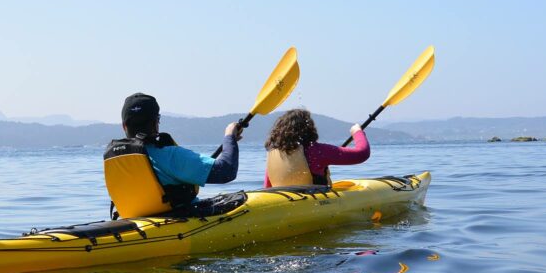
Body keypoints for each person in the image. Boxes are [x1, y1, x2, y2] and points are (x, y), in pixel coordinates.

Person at [104, 93, 241, 218]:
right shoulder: (169, 155)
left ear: (124, 126)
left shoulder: (116, 161)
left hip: (134, 224)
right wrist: (229, 136)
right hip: (178, 223)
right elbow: (226, 171)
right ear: (156, 123)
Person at [263, 108, 369, 187]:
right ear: (309, 129)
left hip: (283, 202)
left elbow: (267, 187)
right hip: (313, 203)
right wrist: (357, 132)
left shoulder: (273, 154)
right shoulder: (316, 151)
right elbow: (362, 154)